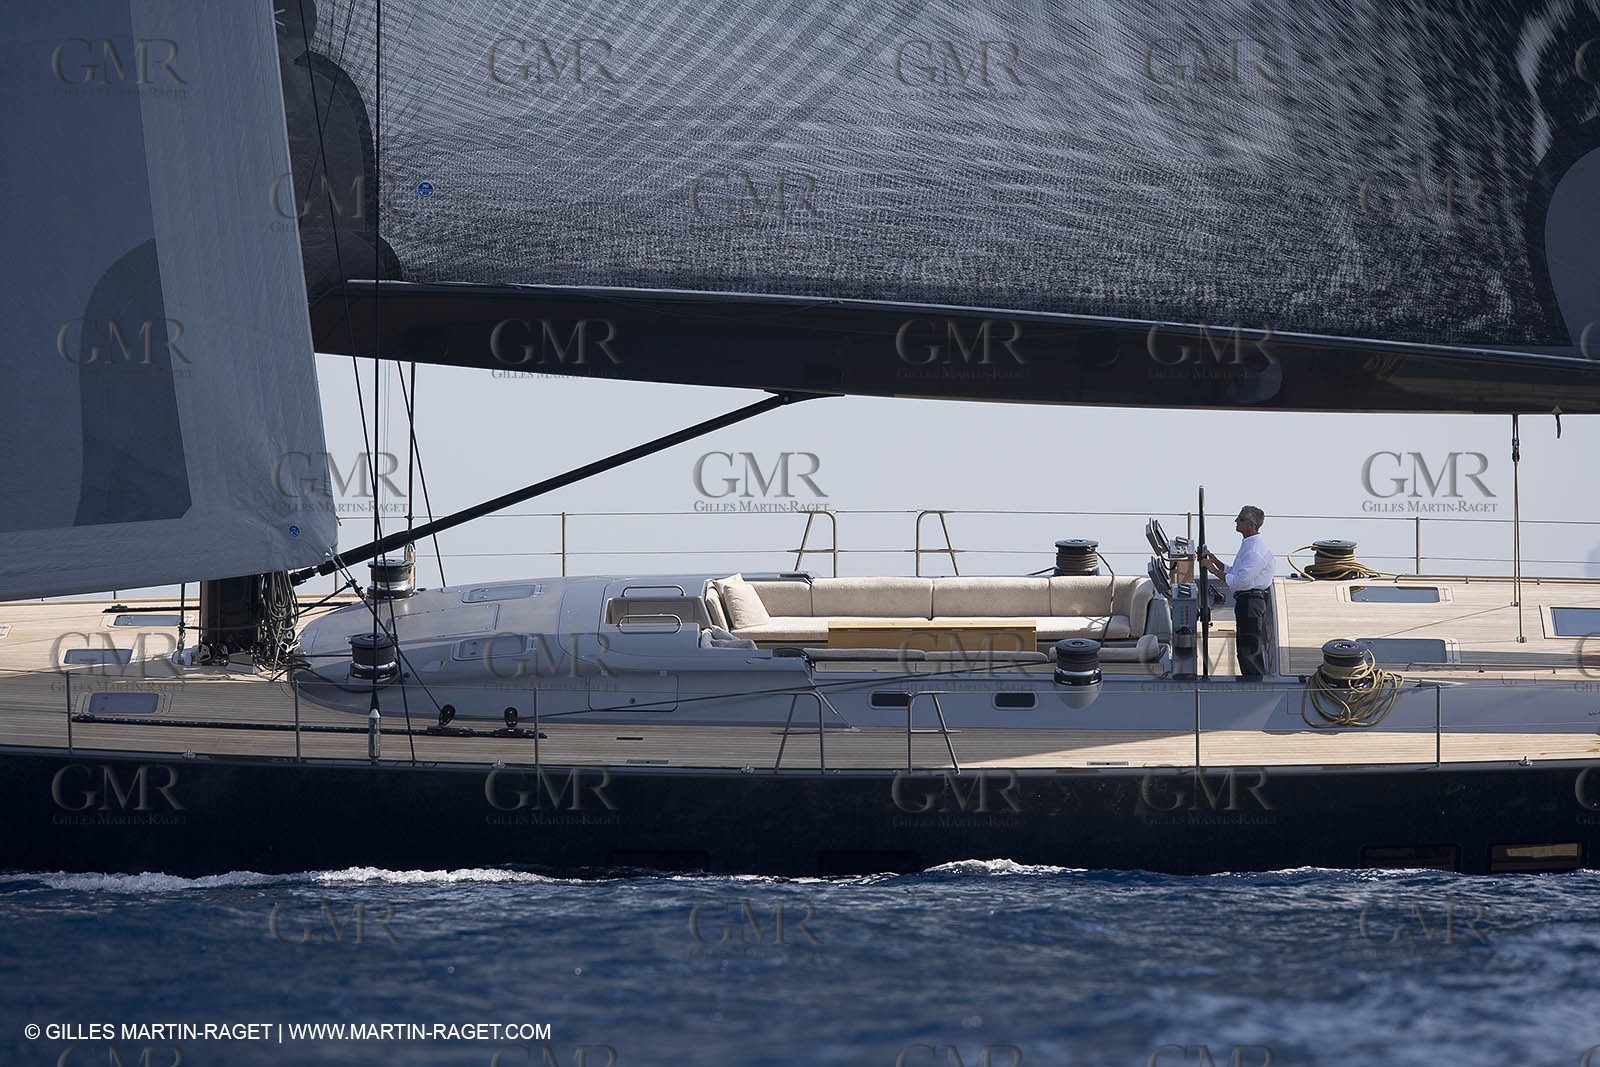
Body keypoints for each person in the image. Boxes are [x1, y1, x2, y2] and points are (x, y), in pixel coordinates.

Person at [1199, 506, 1274, 679]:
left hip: (1252, 600)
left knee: (1249, 645)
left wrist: (1212, 570)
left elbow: (1240, 580)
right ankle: (1249, 677)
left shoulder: (1255, 550)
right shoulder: (1249, 546)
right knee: (1244, 644)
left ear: (1250, 524)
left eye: (1240, 519)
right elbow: (1235, 571)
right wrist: (1215, 561)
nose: (1236, 521)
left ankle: (1253, 680)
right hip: (1247, 600)